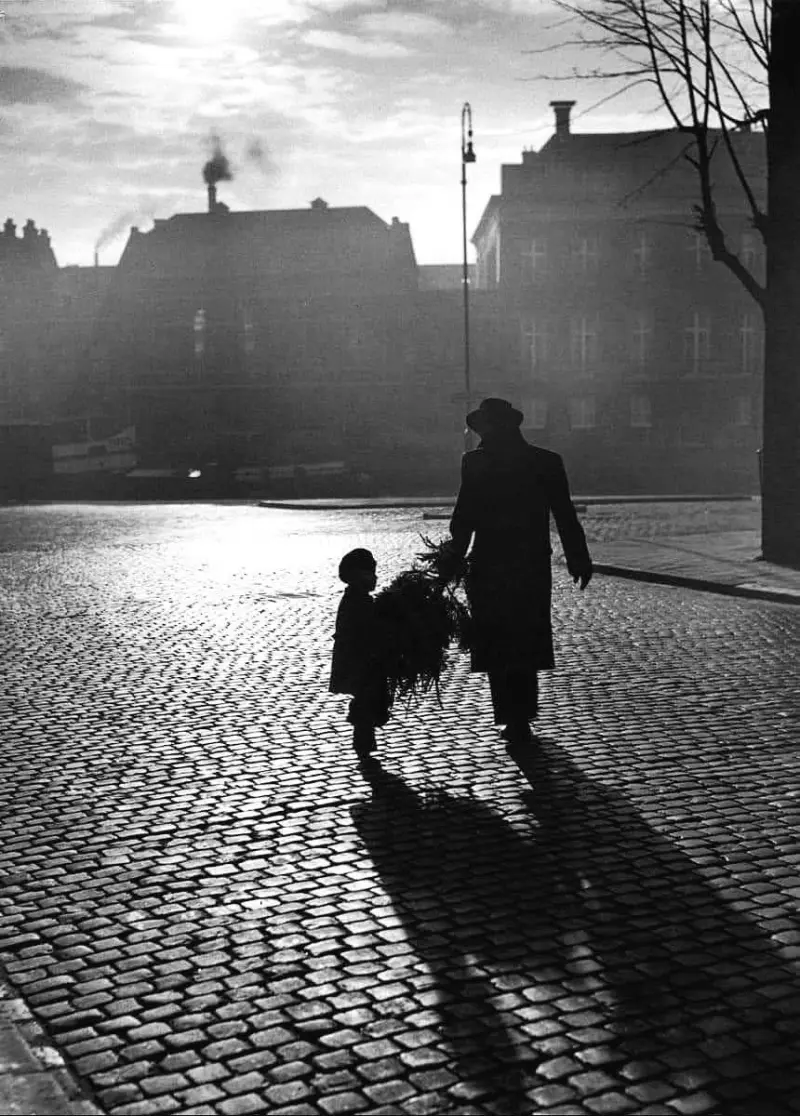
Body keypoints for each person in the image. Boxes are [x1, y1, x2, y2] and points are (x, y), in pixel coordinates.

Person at [445, 398, 592, 745]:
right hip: (529, 564)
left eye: (482, 427)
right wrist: (578, 557)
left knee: (497, 639)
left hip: (490, 564)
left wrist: (451, 559)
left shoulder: (475, 463)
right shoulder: (546, 462)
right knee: (525, 637)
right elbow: (565, 515)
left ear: (493, 427)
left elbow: (464, 517)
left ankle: (510, 715)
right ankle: (522, 714)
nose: (478, 434)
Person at [329, 548, 391, 758]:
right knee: (367, 698)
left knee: (367, 697)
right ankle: (363, 742)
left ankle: (364, 741)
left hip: (360, 660)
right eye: (370, 574)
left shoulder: (358, 600)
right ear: (358, 576)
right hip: (361, 661)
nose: (374, 578)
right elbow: (364, 632)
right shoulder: (358, 603)